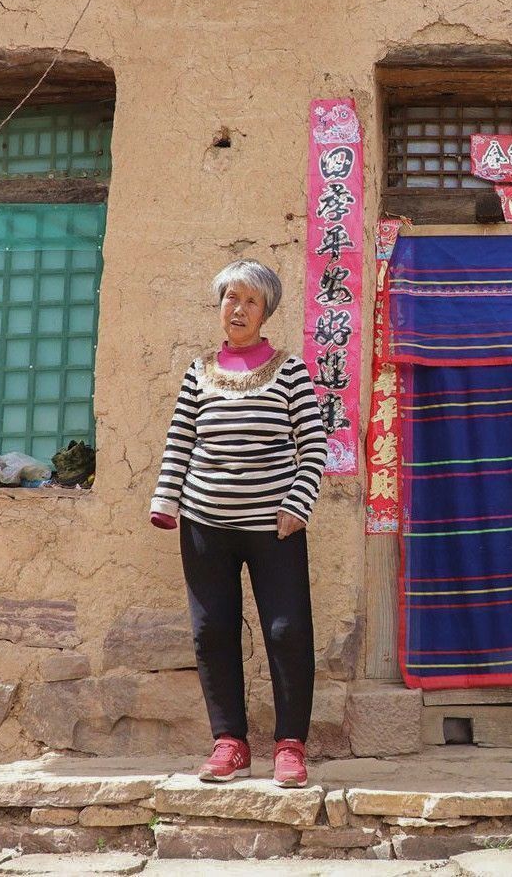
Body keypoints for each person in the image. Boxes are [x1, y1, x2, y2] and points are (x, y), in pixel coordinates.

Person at [150, 259, 328, 788]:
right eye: (231, 297)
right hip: (205, 523)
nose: (239, 308)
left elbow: (314, 446)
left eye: (251, 300)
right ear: (219, 304)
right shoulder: (199, 372)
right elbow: (180, 441)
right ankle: (229, 742)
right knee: (212, 631)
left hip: (273, 527)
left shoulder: (290, 370)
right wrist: (166, 499)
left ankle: (290, 745)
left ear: (265, 310)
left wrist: (298, 504)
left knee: (287, 631)